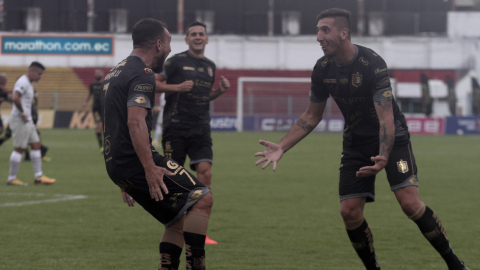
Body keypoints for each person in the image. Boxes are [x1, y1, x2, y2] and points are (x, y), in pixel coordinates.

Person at [255, 8, 469, 270]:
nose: (319, 37)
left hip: (393, 139)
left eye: (325, 30)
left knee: (410, 203)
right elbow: (312, 115)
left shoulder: (372, 63)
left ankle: (455, 265)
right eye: (317, 30)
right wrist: (282, 146)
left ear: (344, 33)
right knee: (349, 212)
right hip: (356, 142)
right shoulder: (322, 69)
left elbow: (386, 119)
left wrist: (384, 154)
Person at [102, 18, 213, 270]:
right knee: (202, 198)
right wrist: (148, 168)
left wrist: (124, 178)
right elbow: (134, 123)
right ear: (159, 43)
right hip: (136, 162)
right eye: (170, 42)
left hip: (119, 165)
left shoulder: (114, 72)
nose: (171, 49)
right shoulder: (143, 73)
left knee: (176, 219)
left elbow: (113, 125)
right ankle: (196, 266)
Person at [157, 21, 230, 245]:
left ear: (207, 39)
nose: (198, 37)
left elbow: (203, 95)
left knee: (205, 173)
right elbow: (153, 82)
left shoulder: (210, 66)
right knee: (173, 180)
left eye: (202, 34)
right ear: (187, 39)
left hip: (200, 128)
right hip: (175, 127)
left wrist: (218, 91)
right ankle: (176, 225)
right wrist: (176, 88)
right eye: (193, 34)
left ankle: (199, 227)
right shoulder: (176, 61)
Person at [6, 62, 55, 186]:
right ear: (32, 72)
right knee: (20, 148)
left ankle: (39, 177)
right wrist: (23, 113)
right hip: (20, 119)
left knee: (36, 144)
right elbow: (15, 97)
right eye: (39, 74)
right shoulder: (23, 82)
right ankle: (12, 178)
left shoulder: (29, 83)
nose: (40, 77)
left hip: (26, 120)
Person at [82, 68, 104, 152]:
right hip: (96, 108)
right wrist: (85, 102)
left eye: (98, 73)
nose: (97, 74)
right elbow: (90, 94)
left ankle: (105, 146)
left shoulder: (105, 83)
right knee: (99, 126)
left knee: (104, 128)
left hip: (105, 108)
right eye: (96, 73)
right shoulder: (92, 84)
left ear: (102, 74)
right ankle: (101, 147)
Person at [0, 73, 12, 138]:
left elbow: (8, 99)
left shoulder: (3, 92)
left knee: (1, 130)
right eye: (4, 80)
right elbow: (7, 90)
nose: (5, 81)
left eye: (6, 80)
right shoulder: (2, 88)